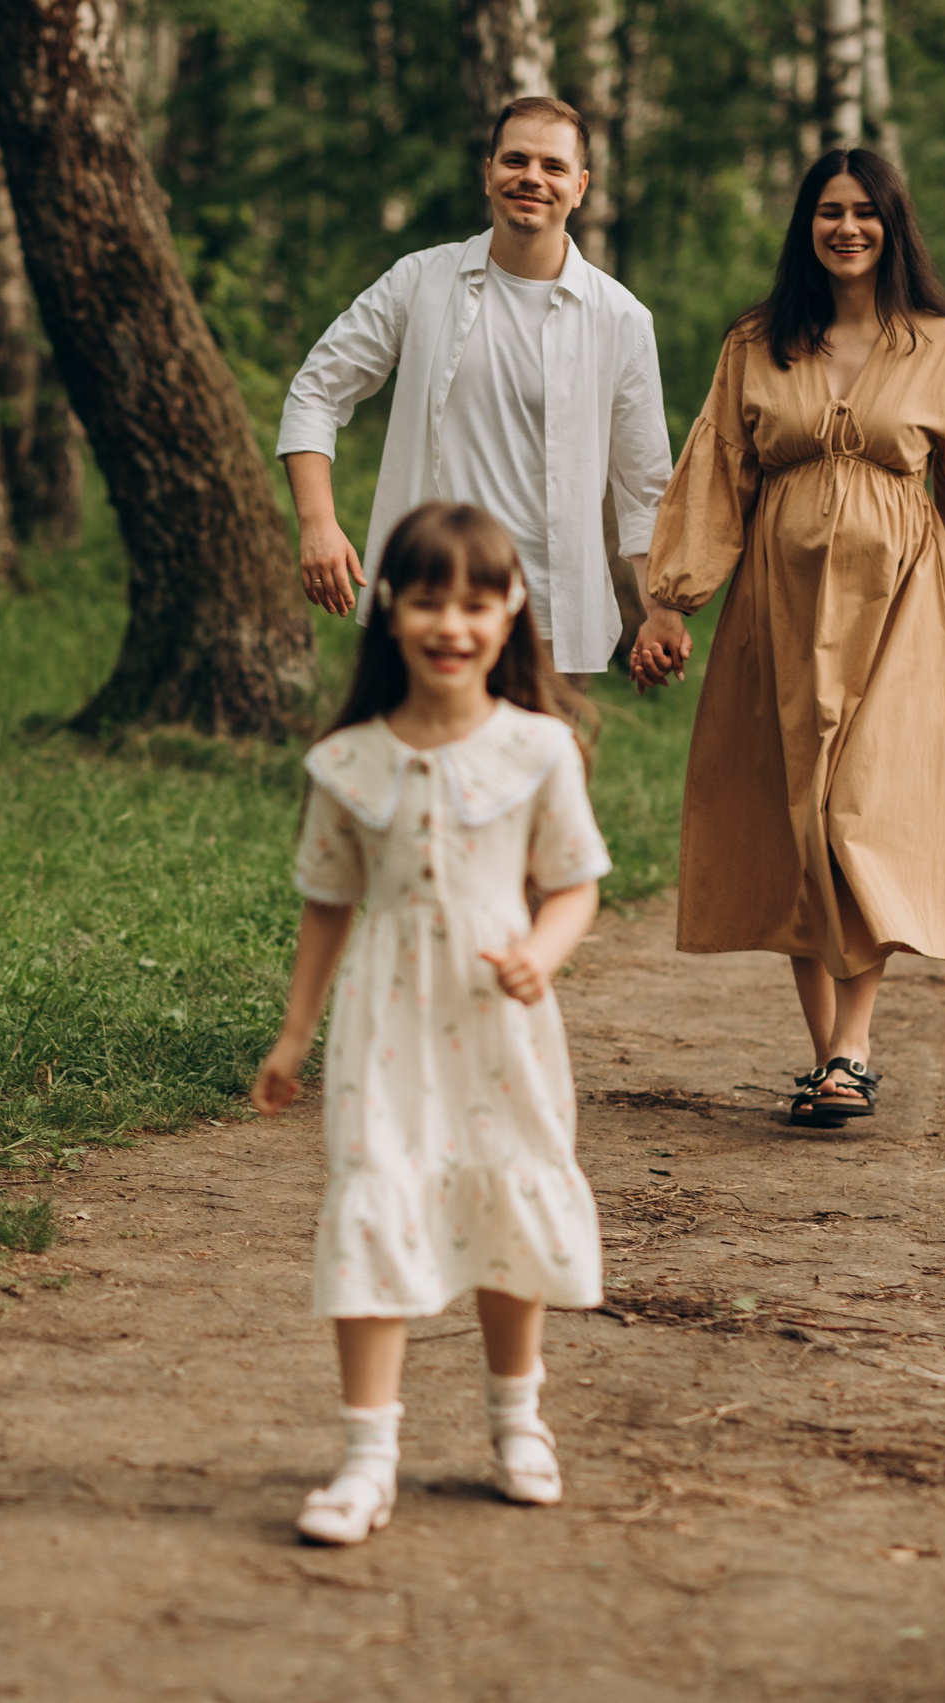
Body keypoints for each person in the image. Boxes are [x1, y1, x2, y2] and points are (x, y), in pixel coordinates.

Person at [629, 149, 945, 1128]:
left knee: (864, 811)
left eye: (865, 212)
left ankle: (853, 1040)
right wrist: (668, 600)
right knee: (794, 816)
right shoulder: (758, 343)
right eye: (828, 211)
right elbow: (717, 467)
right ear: (804, 227)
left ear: (893, 227)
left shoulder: (941, 347)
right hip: (778, 609)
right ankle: (832, 1058)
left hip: (902, 610)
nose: (846, 227)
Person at [252, 502, 612, 1547]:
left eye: (473, 601)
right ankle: (367, 1458)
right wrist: (293, 1034)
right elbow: (326, 903)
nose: (450, 624)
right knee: (376, 1200)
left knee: (501, 1197)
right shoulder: (347, 762)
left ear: (510, 613)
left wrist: (539, 957)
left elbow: (575, 885)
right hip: (386, 1020)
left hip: (501, 1019)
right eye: (426, 600)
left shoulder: (538, 750)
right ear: (388, 611)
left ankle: (518, 1423)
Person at [277, 96, 673, 685]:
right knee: (418, 774)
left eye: (553, 166)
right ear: (488, 171)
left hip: (550, 623)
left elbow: (645, 490)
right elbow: (316, 391)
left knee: (539, 778)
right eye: (516, 160)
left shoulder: (620, 318)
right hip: (426, 605)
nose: (532, 177)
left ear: (581, 186)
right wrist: (318, 523)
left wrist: (660, 613)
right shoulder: (419, 282)